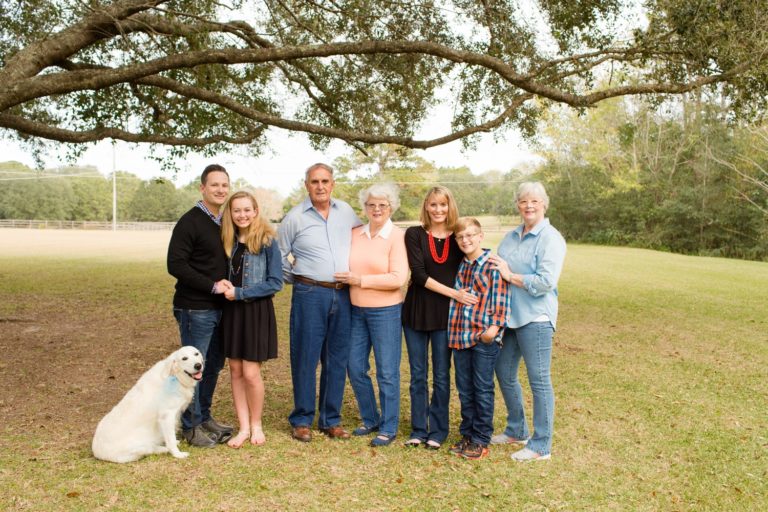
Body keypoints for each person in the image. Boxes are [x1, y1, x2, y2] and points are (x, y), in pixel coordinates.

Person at [278, 163, 362, 442]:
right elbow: (279, 257)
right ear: (307, 185)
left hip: (343, 293)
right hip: (309, 294)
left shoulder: (347, 212)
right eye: (315, 181)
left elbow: (361, 242)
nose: (320, 186)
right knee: (305, 356)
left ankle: (330, 419)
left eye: (325, 181)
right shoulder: (294, 217)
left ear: (333, 183)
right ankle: (302, 419)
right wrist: (302, 278)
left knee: (337, 357)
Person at [489, 181, 566, 462]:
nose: (529, 206)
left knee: (539, 380)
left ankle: (541, 445)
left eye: (534, 201)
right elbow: (496, 270)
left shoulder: (551, 238)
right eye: (523, 201)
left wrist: (512, 277)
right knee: (503, 371)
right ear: (518, 205)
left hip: (536, 317)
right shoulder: (510, 237)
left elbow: (546, 281)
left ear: (544, 204)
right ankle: (516, 429)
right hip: (509, 317)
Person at [401, 186, 478, 449]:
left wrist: (498, 265)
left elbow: (475, 256)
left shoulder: (458, 237)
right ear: (426, 206)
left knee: (442, 376)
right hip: (416, 312)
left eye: (443, 205)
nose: (438, 210)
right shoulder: (414, 234)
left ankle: (438, 431)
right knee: (418, 374)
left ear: (449, 206)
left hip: (447, 317)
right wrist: (455, 293)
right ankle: (418, 429)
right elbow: (419, 275)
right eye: (433, 205)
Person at [334, 183, 409, 447]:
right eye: (371, 204)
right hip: (356, 310)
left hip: (386, 312)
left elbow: (398, 278)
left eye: (382, 205)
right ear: (364, 208)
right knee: (354, 366)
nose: (377, 209)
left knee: (387, 372)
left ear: (391, 208)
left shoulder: (397, 236)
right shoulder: (356, 233)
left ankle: (388, 427)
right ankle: (370, 418)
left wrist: (360, 279)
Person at [167, 164, 234, 448]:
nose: (220, 190)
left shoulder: (223, 221)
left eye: (224, 185)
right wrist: (211, 285)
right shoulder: (191, 221)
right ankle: (190, 426)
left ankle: (204, 416)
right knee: (193, 367)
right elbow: (175, 264)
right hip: (196, 307)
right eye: (214, 185)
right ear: (202, 188)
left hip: (220, 308)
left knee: (213, 364)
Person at [219, 190, 283, 448]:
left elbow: (275, 282)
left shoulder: (267, 241)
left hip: (256, 311)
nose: (242, 215)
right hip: (232, 312)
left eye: (247, 209)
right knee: (235, 370)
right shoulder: (227, 240)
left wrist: (241, 292)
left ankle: (256, 424)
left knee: (251, 372)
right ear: (230, 214)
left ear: (255, 211)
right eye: (237, 210)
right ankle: (243, 427)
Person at [446, 217, 509, 460]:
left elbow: (503, 299)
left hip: (483, 338)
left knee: (482, 389)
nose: (466, 240)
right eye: (461, 237)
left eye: (471, 235)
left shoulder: (492, 265)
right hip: (460, 336)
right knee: (464, 389)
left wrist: (493, 329)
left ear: (480, 236)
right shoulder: (461, 265)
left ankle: (481, 439)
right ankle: (468, 435)